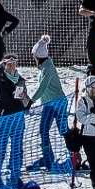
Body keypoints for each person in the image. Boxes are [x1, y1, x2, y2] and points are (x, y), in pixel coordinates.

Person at [0, 54, 28, 189]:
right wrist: (2, 62)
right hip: (4, 118)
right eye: (9, 64)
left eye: (14, 63)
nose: (11, 66)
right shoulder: (0, 79)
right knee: (0, 149)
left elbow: (26, 104)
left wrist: (24, 99)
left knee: (17, 149)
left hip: (18, 118)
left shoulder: (20, 80)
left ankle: (14, 177)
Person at [32, 34, 72, 167]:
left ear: (38, 56)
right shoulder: (44, 67)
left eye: (34, 55)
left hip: (58, 103)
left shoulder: (48, 67)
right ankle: (47, 157)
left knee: (63, 130)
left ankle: (74, 156)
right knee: (43, 130)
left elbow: (42, 87)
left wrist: (30, 101)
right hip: (49, 104)